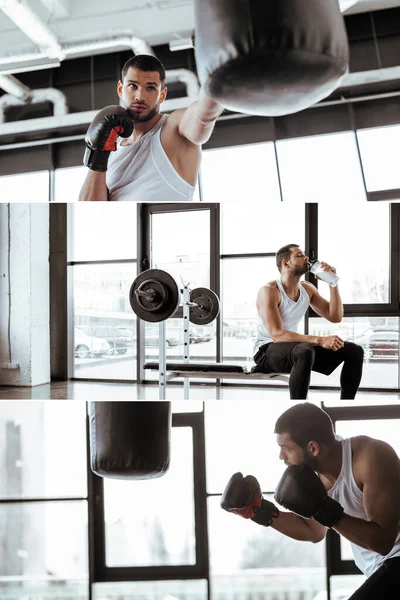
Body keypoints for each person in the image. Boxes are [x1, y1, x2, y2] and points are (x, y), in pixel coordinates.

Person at [221, 402, 400, 600]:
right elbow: (313, 531)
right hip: (379, 570)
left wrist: (326, 511)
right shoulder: (317, 478)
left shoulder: (369, 457)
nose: (281, 456)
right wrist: (259, 511)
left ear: (313, 447)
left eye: (286, 449)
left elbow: (383, 542)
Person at [79, 54, 223, 202]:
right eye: (133, 86)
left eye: (150, 88)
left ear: (162, 95)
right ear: (121, 89)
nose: (140, 96)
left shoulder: (173, 129)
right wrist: (98, 156)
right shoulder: (111, 148)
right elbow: (89, 211)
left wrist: (219, 70)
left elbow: (203, 116)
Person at [254, 243, 364, 399]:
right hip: (266, 350)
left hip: (294, 348)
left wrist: (333, 283)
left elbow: (335, 316)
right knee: (304, 350)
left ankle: (347, 403)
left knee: (354, 350)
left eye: (304, 254)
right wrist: (319, 340)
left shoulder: (307, 289)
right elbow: (277, 335)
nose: (306, 258)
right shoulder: (269, 291)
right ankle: (298, 408)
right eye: (299, 255)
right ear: (285, 263)